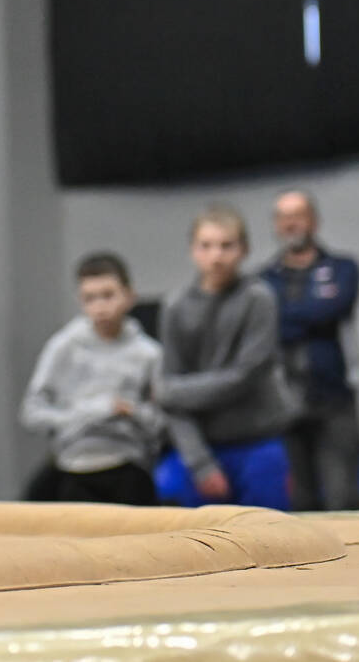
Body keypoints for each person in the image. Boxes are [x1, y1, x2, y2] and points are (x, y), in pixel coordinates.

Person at [153, 205, 298, 509]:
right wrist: (200, 463)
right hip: (203, 446)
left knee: (267, 538)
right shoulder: (175, 306)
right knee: (195, 539)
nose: (216, 256)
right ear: (193, 250)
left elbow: (244, 376)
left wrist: (174, 392)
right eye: (206, 246)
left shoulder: (259, 299)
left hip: (258, 440)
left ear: (243, 249)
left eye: (226, 245)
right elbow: (171, 395)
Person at [18, 252, 165, 505]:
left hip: (128, 466)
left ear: (130, 296)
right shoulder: (63, 347)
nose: (100, 307)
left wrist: (132, 412)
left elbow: (163, 422)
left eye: (108, 295)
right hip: (74, 468)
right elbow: (31, 412)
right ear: (80, 301)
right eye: (90, 298)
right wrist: (93, 412)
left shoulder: (149, 354)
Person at [261, 189, 359, 511]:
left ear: (313, 220)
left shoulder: (343, 268)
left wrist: (284, 315)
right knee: (300, 501)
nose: (292, 223)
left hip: (334, 399)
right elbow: (267, 326)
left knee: (342, 497)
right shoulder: (262, 279)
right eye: (284, 216)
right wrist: (310, 313)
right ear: (277, 225)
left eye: (298, 214)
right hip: (283, 402)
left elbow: (334, 309)